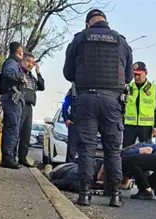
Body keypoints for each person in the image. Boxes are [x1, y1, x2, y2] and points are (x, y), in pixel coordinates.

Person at [62, 8, 133, 207]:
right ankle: (115, 195)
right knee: (112, 150)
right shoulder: (121, 41)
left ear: (88, 24)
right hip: (112, 101)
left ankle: (85, 194)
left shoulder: (79, 39)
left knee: (87, 148)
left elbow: (68, 73)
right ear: (106, 21)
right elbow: (127, 77)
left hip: (86, 100)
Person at [0, 41, 27, 169]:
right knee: (12, 128)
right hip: (11, 98)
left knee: (12, 127)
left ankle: (10, 156)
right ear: (19, 52)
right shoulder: (12, 63)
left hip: (12, 99)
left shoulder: (13, 63)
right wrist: (21, 78)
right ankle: (8, 157)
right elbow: (8, 74)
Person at [124, 62, 156, 146]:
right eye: (134, 74)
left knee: (146, 153)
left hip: (146, 128)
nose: (137, 77)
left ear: (146, 73)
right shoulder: (128, 88)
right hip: (129, 126)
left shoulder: (153, 88)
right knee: (126, 152)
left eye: (139, 74)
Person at [17, 52, 45, 166]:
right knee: (16, 131)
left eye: (32, 63)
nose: (30, 65)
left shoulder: (32, 78)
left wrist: (38, 71)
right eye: (28, 61)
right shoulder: (18, 73)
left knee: (26, 133)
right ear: (22, 60)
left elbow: (42, 87)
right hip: (19, 104)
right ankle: (11, 155)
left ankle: (22, 158)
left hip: (29, 106)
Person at [61, 86, 76, 163]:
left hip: (87, 124)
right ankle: (69, 171)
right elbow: (65, 106)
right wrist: (66, 119)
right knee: (71, 151)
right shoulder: (73, 89)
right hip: (74, 124)